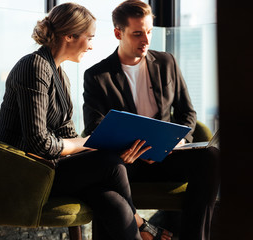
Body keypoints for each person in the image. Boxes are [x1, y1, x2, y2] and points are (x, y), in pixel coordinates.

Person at [0, 3, 172, 240]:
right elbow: (38, 143)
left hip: (49, 168)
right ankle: (142, 225)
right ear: (69, 36)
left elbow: (67, 134)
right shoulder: (34, 66)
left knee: (114, 202)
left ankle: (140, 226)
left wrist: (104, 144)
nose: (91, 46)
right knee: (111, 163)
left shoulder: (60, 75)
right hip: (26, 175)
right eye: (89, 38)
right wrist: (89, 143)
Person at [83, 1, 220, 240]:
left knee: (211, 157)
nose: (146, 40)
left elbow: (188, 113)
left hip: (168, 156)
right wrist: (123, 149)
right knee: (104, 171)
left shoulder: (167, 62)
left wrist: (179, 140)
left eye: (149, 32)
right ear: (118, 33)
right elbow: (94, 126)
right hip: (128, 163)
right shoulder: (97, 75)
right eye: (137, 34)